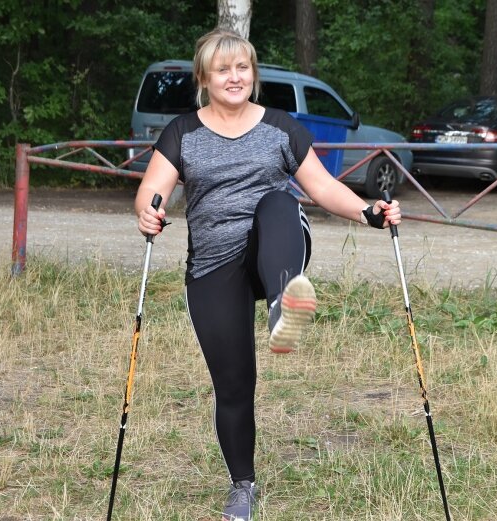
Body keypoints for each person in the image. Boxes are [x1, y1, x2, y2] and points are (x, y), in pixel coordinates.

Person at [135, 28, 401, 521]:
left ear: (253, 74)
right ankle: (242, 486)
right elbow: (153, 188)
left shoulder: (280, 127)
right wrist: (148, 212)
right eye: (223, 70)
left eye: (242, 68)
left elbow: (321, 187)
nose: (234, 78)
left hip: (275, 246)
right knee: (234, 384)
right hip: (214, 264)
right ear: (204, 78)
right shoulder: (183, 131)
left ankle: (285, 302)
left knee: (279, 201)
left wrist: (368, 212)